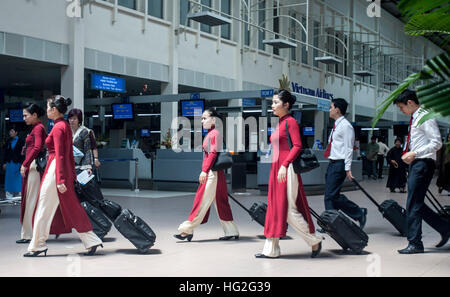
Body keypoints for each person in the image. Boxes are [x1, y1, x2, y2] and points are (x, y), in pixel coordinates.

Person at [24, 96, 103, 257]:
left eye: (48, 107)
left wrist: (60, 179)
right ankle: (91, 240)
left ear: (54, 110)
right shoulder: (63, 126)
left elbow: (60, 155)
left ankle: (38, 245)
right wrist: (69, 176)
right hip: (60, 171)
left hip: (55, 171)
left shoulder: (59, 127)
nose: (46, 111)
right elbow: (67, 155)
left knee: (44, 208)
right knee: (72, 208)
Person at [255, 90, 323, 259]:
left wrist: (284, 166)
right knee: (275, 208)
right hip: (278, 168)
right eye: (272, 102)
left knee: (287, 210)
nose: (272, 105)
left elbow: (297, 146)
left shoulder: (290, 122)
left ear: (286, 105)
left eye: (276, 102)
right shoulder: (280, 122)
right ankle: (271, 250)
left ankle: (314, 240)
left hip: (286, 169)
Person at [394, 89, 449, 254]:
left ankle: (415, 243)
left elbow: (437, 143)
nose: (401, 111)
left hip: (423, 163)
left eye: (402, 107)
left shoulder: (425, 117)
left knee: (412, 204)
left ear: (410, 103)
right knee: (416, 203)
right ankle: (444, 228)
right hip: (417, 163)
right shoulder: (416, 117)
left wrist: (415, 153)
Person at [174, 108, 239, 242]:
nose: (202, 121)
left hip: (212, 174)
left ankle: (186, 230)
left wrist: (204, 170)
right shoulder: (213, 133)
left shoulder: (214, 134)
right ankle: (231, 231)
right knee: (221, 202)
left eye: (204, 118)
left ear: (213, 120)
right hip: (217, 173)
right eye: (201, 118)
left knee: (201, 201)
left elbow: (213, 154)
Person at [322, 98, 367, 230]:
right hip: (333, 163)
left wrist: (348, 168)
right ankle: (355, 214)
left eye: (331, 107)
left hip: (339, 164)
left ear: (337, 109)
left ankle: (332, 223)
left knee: (330, 195)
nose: (329, 110)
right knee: (332, 195)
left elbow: (348, 148)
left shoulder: (346, 126)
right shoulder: (337, 125)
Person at [16, 103, 47, 244]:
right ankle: (28, 233)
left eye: (25, 115)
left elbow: (37, 147)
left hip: (34, 167)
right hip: (32, 166)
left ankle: (30, 234)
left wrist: (25, 163)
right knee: (30, 200)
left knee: (31, 200)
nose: (24, 118)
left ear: (34, 115)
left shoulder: (38, 128)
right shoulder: (36, 128)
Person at [3, 126, 25, 200]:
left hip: (17, 163)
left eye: (12, 131)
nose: (10, 133)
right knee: (9, 179)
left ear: (16, 132)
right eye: (10, 131)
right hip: (9, 163)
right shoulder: (8, 141)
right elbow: (5, 152)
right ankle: (9, 195)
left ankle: (19, 195)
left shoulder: (21, 141)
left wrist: (23, 163)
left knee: (18, 179)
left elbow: (23, 153)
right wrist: (4, 162)